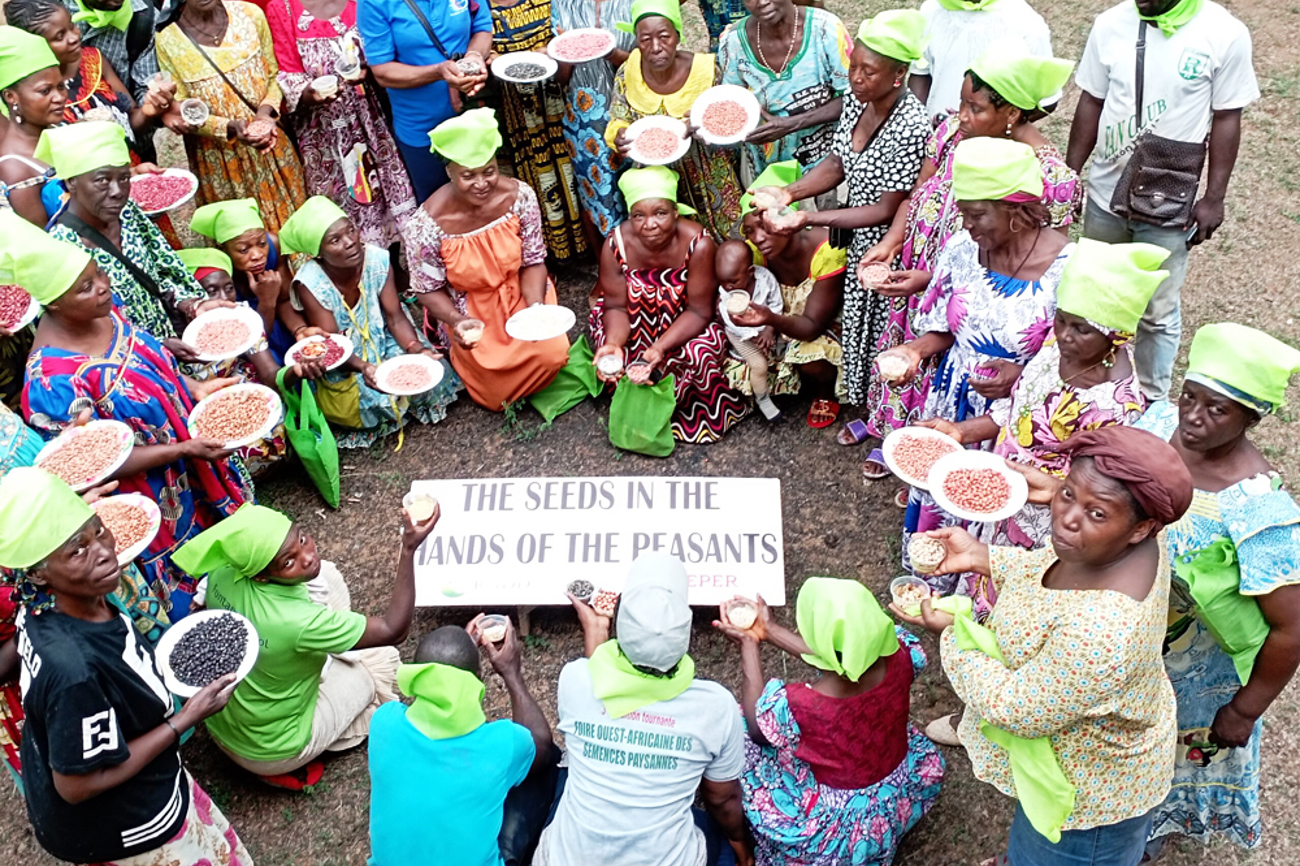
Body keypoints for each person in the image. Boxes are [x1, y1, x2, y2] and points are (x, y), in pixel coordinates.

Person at [895, 425, 1194, 866]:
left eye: (1096, 513)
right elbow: (1053, 565)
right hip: (1073, 755)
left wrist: (954, 632)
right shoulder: (1129, 540)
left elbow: (1013, 706)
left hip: (1089, 798)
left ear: (1141, 528)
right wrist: (985, 556)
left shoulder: (1102, 634)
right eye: (1069, 494)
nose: (1066, 518)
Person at [0, 466, 251, 865]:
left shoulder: (44, 607)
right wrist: (185, 720)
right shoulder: (72, 671)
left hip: (151, 775)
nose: (103, 551)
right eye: (76, 550)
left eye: (98, 530)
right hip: (129, 826)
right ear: (38, 573)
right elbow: (78, 785)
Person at [924, 239, 1165, 628]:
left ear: (1115, 337)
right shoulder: (1057, 348)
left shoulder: (1116, 407)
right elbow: (1020, 410)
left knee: (1017, 596)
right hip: (1002, 493)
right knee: (982, 568)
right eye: (1063, 319)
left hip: (1045, 520)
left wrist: (1049, 491)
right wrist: (959, 431)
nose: (1065, 335)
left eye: (1082, 329)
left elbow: (1101, 495)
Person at [15, 225, 252, 618]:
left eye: (98, 274)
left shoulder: (105, 308)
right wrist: (182, 449)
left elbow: (143, 358)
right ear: (53, 305)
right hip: (154, 498)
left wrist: (191, 386)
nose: (102, 287)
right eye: (85, 287)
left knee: (238, 558)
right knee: (198, 588)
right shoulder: (51, 382)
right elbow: (93, 466)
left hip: (194, 457)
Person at [859, 49, 1078, 460]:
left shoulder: (1054, 189)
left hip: (1008, 383)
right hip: (950, 299)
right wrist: (909, 264)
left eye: (974, 107)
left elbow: (1040, 292)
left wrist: (1025, 375)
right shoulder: (964, 243)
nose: (961, 115)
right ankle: (906, 438)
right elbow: (919, 195)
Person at [1132, 324, 1300, 855]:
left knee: (1164, 762)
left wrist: (1245, 709)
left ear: (1252, 418)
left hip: (1190, 678)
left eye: (1217, 409)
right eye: (1190, 396)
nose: (1192, 417)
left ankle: (1141, 838)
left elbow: (1292, 625)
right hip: (1127, 639)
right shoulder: (1158, 424)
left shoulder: (1257, 509)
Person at [1066, 0, 1259, 401]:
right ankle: (1091, 388)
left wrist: (1214, 197)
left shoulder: (1224, 34)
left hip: (1169, 201)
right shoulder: (1110, 24)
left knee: (1155, 310)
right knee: (1095, 294)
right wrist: (1070, 175)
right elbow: (1092, 102)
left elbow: (1226, 117)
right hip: (1106, 193)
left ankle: (1150, 401)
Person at [883, 138, 1069, 542]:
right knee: (942, 502)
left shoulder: (1068, 272)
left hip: (1017, 415)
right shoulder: (962, 249)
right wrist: (915, 350)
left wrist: (1022, 375)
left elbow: (1074, 367)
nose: (966, 225)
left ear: (1016, 210)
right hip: (954, 401)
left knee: (991, 509)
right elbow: (945, 329)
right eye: (963, 214)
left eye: (977, 215)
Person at [757, 10, 929, 427]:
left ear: (898, 75)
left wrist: (807, 219)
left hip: (889, 240)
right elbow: (839, 162)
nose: (855, 78)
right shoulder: (857, 101)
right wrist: (791, 191)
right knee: (858, 318)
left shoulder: (910, 125)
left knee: (882, 325)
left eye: (868, 72)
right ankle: (865, 403)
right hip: (854, 232)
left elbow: (887, 208)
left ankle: (889, 418)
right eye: (854, 67)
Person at [173, 502, 426, 787]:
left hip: (225, 723)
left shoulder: (222, 571)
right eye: (288, 562)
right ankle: (286, 764)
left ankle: (317, 651)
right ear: (260, 575)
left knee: (325, 575)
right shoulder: (297, 622)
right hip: (272, 748)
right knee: (372, 667)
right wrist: (408, 549)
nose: (307, 557)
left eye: (302, 539)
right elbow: (393, 629)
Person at [536, 553, 753, 866]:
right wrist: (739, 843)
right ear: (685, 631)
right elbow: (722, 800)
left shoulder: (574, 679)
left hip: (566, 858)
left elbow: (605, 688)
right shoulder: (715, 707)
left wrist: (596, 629)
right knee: (722, 846)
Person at [715, 580, 944, 865]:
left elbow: (758, 728)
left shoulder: (801, 705)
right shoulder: (904, 652)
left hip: (841, 822)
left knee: (741, 733)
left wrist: (749, 645)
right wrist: (770, 630)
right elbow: (844, 658)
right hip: (896, 784)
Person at [404, 109, 569, 411]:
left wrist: (534, 311)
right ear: (449, 172)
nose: (481, 183)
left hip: (522, 290)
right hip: (469, 309)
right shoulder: (425, 225)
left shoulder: (520, 197)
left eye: (489, 171)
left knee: (553, 353)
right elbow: (427, 289)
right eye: (468, 175)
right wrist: (457, 321)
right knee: (496, 393)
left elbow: (533, 260)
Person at [369, 621, 558, 866]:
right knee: (542, 761)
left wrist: (458, 649)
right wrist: (512, 672)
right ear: (478, 679)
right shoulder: (501, 745)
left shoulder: (383, 722)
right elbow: (541, 743)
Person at [282, 196, 459, 447]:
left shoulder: (376, 259)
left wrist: (416, 349)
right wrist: (364, 367)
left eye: (351, 230)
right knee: (376, 400)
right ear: (318, 253)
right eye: (335, 240)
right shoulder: (311, 283)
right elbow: (333, 347)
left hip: (383, 337)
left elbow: (395, 318)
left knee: (430, 372)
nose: (350, 242)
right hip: (345, 360)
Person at [591, 166, 748, 443]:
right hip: (633, 322)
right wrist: (615, 342)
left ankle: (680, 410)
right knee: (613, 357)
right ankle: (643, 403)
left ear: (676, 212)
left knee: (699, 353)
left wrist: (659, 348)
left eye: (660, 213)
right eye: (639, 216)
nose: (649, 225)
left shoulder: (699, 244)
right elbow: (615, 306)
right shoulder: (616, 243)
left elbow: (700, 310)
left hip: (685, 324)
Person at [40, 123, 211, 355]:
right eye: (102, 180)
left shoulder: (127, 212)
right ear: (71, 182)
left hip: (175, 342)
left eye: (123, 178)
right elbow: (79, 333)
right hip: (130, 368)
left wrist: (191, 304)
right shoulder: (62, 248)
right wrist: (154, 347)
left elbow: (164, 266)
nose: (117, 191)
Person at [264, 0, 417, 250]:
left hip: (371, 117)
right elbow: (287, 70)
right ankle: (354, 270)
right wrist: (309, 92)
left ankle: (401, 266)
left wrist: (370, 68)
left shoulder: (361, 2)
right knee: (342, 201)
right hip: (323, 130)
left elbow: (385, 46)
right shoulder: (283, 8)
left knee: (385, 186)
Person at [156, 0, 308, 234]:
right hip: (220, 161)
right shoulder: (168, 40)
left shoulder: (250, 14)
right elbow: (183, 110)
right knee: (245, 241)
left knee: (295, 228)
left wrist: (265, 115)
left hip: (271, 144)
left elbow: (275, 74)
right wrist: (229, 127)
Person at [606, 0, 743, 242]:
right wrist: (620, 135)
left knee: (728, 237)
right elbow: (618, 117)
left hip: (710, 173)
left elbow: (730, 117)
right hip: (656, 178)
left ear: (678, 36)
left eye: (664, 37)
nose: (655, 47)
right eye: (645, 39)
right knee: (672, 241)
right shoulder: (629, 72)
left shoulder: (707, 70)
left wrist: (707, 125)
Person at [731, 161, 846, 417]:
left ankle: (824, 393)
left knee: (813, 362)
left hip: (818, 325)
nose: (758, 238)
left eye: (764, 225)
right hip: (778, 324)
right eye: (749, 231)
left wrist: (770, 319)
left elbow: (811, 326)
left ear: (791, 220)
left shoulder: (826, 250)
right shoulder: (755, 254)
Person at [175, 246, 294, 477]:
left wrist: (294, 373)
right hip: (198, 401)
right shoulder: (173, 336)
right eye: (210, 291)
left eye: (228, 288)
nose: (222, 299)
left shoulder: (240, 316)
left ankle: (272, 462)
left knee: (274, 417)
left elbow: (268, 369)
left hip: (240, 385)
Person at [357, 0, 491, 202]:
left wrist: (474, 56)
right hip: (422, 129)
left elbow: (482, 28)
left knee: (485, 198)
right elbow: (383, 72)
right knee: (440, 207)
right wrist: (438, 72)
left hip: (473, 114)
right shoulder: (374, 3)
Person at [487, 0, 588, 264]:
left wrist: (551, 49)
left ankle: (584, 242)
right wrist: (493, 59)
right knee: (536, 173)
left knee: (569, 166)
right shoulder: (481, 9)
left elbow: (564, 34)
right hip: (518, 108)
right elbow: (482, 49)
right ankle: (553, 250)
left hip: (557, 98)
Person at [8, 0, 175, 152]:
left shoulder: (94, 61)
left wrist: (147, 111)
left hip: (129, 172)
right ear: (34, 45)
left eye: (72, 26)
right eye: (59, 37)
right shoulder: (30, 95)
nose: (74, 37)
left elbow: (131, 123)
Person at [716, 0, 851, 184]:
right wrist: (708, 121)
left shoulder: (826, 29)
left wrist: (790, 124)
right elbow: (732, 101)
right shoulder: (734, 41)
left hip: (822, 166)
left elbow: (854, 97)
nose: (762, 2)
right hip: (765, 169)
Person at [552, 0, 634, 241]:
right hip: (585, 116)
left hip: (633, 108)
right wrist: (566, 54)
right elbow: (561, 78)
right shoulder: (562, 4)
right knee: (596, 193)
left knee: (639, 188)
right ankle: (609, 264)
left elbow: (654, 60)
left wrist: (614, 54)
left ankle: (643, 263)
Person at [190, 197, 304, 359]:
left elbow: (284, 299)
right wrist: (267, 301)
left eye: (262, 243)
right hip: (249, 340)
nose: (257, 255)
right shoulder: (218, 275)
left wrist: (299, 329)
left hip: (280, 319)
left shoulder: (274, 245)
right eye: (244, 250)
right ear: (224, 250)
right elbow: (248, 338)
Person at [908, 0, 1052, 122]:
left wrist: (992, 128)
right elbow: (921, 73)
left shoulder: (1027, 25)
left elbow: (1046, 103)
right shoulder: (932, 9)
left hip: (988, 148)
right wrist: (920, 125)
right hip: (935, 140)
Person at [0, 24, 65, 225]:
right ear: (11, 97)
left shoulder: (61, 132)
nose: (59, 97)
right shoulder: (15, 168)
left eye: (61, 87)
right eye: (45, 91)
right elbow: (42, 244)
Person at [715, 239, 781, 421]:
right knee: (759, 364)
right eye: (722, 281)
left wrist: (769, 329)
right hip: (740, 334)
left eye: (733, 281)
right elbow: (733, 322)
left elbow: (776, 303)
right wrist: (755, 336)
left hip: (765, 325)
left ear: (750, 272)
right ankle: (763, 399)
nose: (728, 286)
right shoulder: (726, 295)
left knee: (785, 348)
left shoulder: (765, 279)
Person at [58, 0, 163, 113]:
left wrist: (156, 101)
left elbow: (144, 91)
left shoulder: (145, 18)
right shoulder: (46, 11)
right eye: (59, 36)